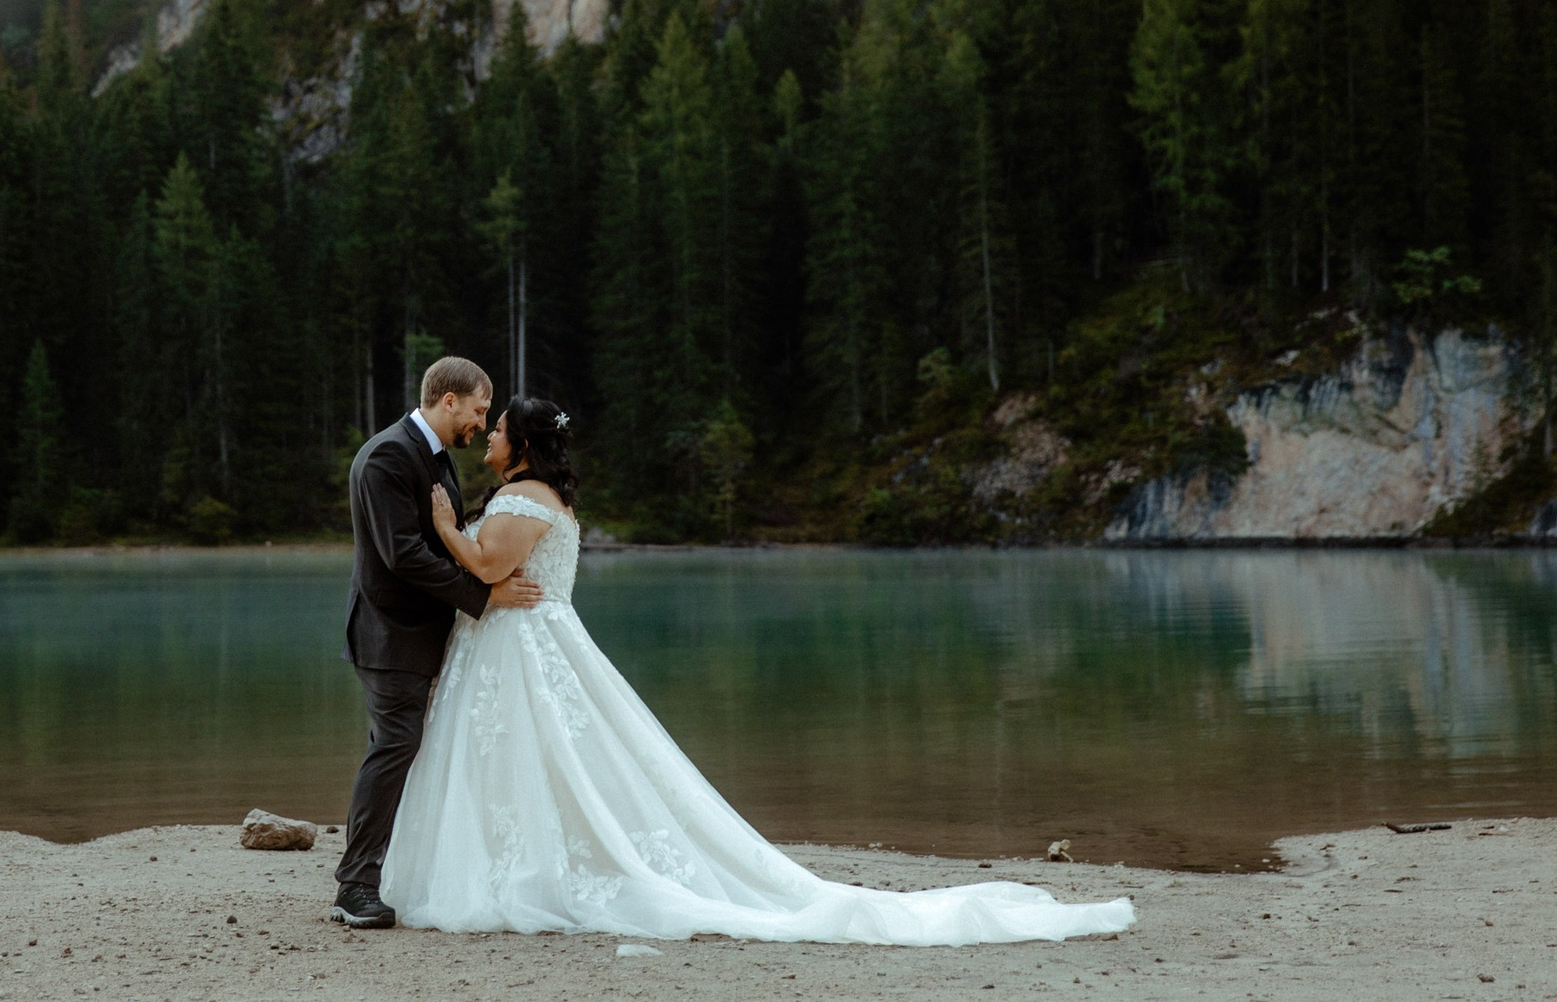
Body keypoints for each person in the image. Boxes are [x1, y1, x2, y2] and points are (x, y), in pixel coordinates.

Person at [381, 394, 1136, 946]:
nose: (487, 440)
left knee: (544, 762)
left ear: (521, 445)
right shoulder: (542, 495)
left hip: (524, 647)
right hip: (521, 642)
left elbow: (485, 561)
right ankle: (521, 866)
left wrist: (446, 524)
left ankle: (520, 875)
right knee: (548, 765)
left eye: (497, 430)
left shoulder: (521, 495)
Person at [331, 355, 543, 929]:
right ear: (448, 400)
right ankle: (355, 887)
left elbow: (439, 538)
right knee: (395, 744)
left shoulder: (432, 456)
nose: (480, 423)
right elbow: (403, 555)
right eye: (478, 410)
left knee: (397, 745)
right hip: (389, 633)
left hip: (416, 635)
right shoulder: (387, 456)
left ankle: (378, 873)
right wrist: (484, 597)